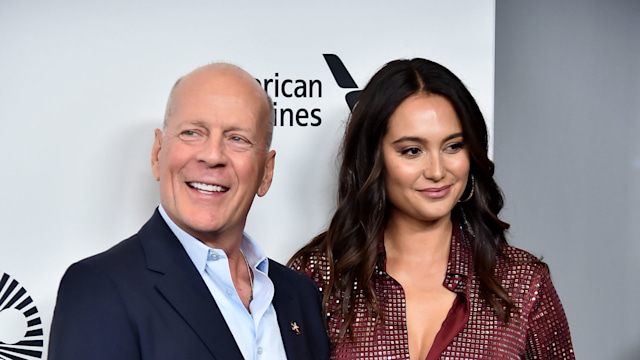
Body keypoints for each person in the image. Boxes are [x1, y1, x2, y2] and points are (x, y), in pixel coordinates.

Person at [290, 58, 575, 360]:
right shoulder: (319, 277)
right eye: (412, 151)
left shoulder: (521, 282)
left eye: (453, 146)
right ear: (373, 157)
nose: (437, 171)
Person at [49, 63, 330, 360]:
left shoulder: (300, 295)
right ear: (158, 153)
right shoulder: (98, 289)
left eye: (237, 139)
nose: (212, 156)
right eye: (192, 132)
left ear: (266, 172)